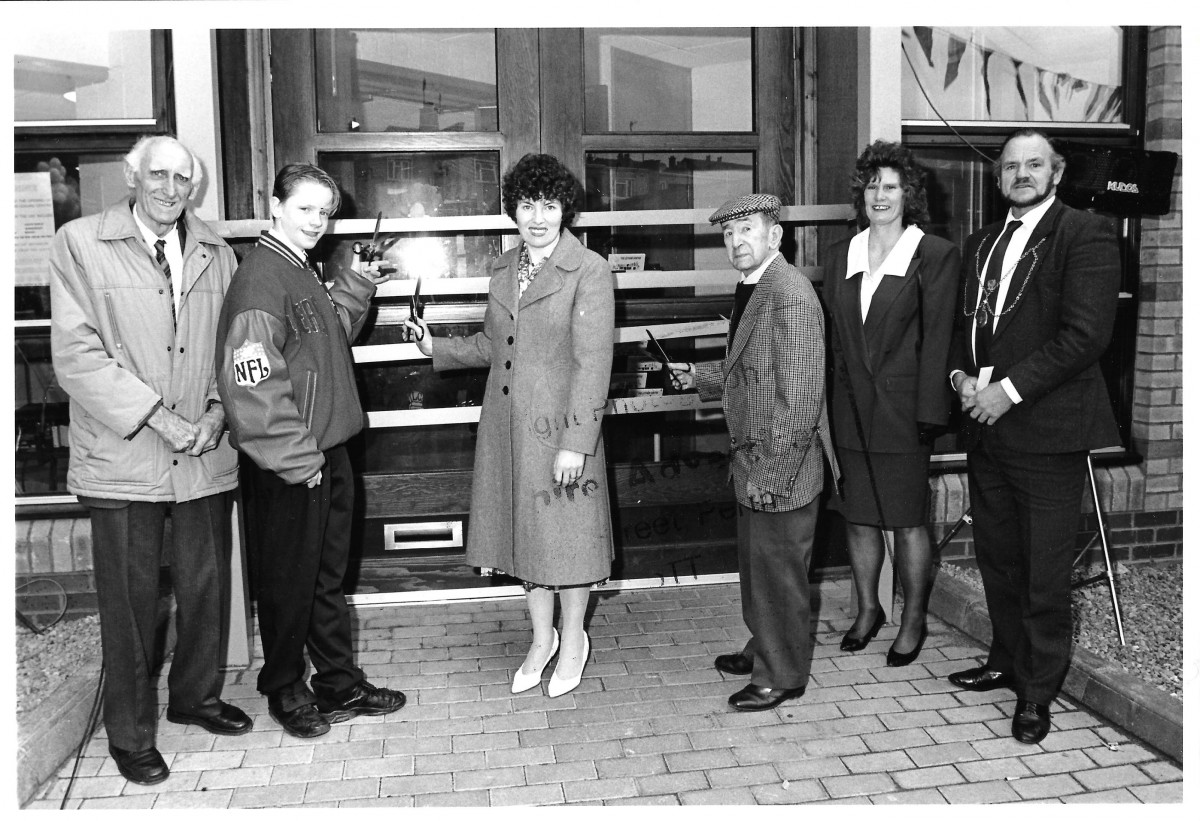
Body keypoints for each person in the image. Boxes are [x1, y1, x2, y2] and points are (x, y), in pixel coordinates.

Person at [49, 135, 251, 785]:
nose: (170, 188)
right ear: (131, 177)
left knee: (204, 587)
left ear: (195, 186)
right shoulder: (81, 243)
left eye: (182, 178)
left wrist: (217, 412)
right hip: (125, 454)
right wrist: (160, 418)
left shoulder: (218, 251)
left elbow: (234, 345)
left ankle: (195, 698)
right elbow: (77, 356)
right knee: (131, 604)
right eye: (157, 174)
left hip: (202, 452)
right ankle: (131, 733)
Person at [405, 153, 614, 698]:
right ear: (513, 210)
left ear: (565, 209)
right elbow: (495, 346)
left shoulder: (589, 269)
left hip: (561, 432)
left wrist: (576, 443)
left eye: (549, 205)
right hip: (508, 432)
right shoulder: (503, 268)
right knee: (526, 540)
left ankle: (573, 639)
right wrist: (435, 346)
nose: (537, 218)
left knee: (567, 543)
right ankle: (542, 639)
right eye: (526, 205)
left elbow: (594, 364)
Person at [216, 163, 403, 738]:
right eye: (305, 208)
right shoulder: (260, 279)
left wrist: (358, 282)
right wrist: (299, 462)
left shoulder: (300, 268)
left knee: (324, 579)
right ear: (275, 206)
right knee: (288, 582)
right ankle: (284, 689)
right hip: (293, 461)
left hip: (327, 451)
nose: (317, 221)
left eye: (325, 212)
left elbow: (326, 335)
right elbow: (252, 384)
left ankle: (338, 682)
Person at [947, 129, 1121, 744]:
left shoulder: (1085, 233)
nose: (1021, 174)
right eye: (1011, 166)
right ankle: (1004, 659)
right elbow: (966, 328)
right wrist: (960, 377)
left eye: (1034, 164)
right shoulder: (981, 242)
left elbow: (1085, 335)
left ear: (1057, 171)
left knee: (1044, 570)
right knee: (998, 558)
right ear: (998, 177)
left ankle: (1037, 692)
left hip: (1047, 431)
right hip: (986, 428)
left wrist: (1008, 391)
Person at [667, 194, 838, 711]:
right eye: (728, 233)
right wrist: (700, 376)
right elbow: (755, 368)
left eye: (747, 229)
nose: (736, 241)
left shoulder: (789, 293)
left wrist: (773, 474)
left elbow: (801, 396)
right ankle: (765, 645)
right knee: (760, 570)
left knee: (779, 575)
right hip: (755, 461)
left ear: (774, 235)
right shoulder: (756, 286)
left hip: (779, 466)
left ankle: (781, 675)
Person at [823, 141, 960, 666]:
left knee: (906, 521)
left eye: (891, 186)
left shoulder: (934, 254)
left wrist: (930, 414)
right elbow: (837, 341)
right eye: (872, 185)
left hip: (905, 415)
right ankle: (868, 610)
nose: (879, 194)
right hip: (849, 411)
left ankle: (913, 619)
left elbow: (939, 338)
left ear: (909, 195)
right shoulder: (842, 254)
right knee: (859, 517)